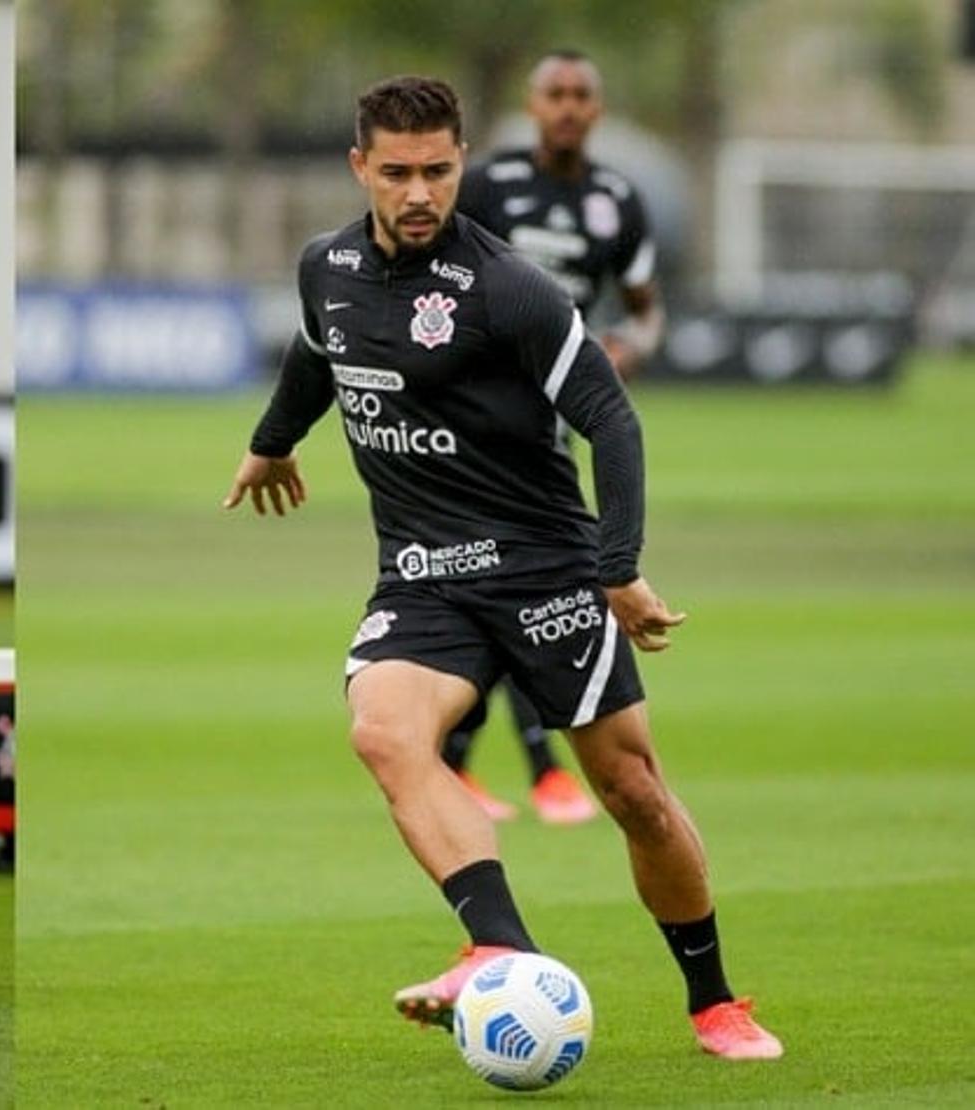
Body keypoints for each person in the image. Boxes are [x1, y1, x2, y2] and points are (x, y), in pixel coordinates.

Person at [221, 76, 780, 1059]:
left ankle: (716, 1001)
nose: (419, 192)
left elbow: (610, 417)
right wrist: (272, 443)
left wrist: (618, 566)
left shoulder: (508, 287)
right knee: (384, 733)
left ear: (462, 163)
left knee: (634, 793)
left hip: (546, 573)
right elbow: (319, 358)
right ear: (362, 169)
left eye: (438, 170)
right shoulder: (328, 267)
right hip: (424, 576)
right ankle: (498, 949)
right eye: (397, 173)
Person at [438, 49, 667, 826]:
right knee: (528, 578)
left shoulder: (616, 200)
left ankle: (473, 762)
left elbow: (644, 308)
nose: (567, 106)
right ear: (533, 106)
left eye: (581, 95)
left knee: (520, 579)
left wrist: (630, 347)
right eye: (554, 94)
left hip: (558, 416)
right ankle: (536, 769)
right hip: (480, 417)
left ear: (596, 109)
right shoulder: (486, 186)